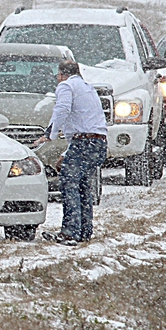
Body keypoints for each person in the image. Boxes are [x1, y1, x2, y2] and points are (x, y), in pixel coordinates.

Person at [33, 59, 108, 246]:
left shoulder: (66, 86)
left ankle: (70, 232)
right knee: (82, 185)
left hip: (84, 141)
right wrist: (67, 153)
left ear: (61, 75)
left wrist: (49, 133)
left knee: (69, 183)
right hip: (98, 143)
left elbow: (62, 109)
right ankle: (84, 231)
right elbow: (87, 123)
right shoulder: (88, 88)